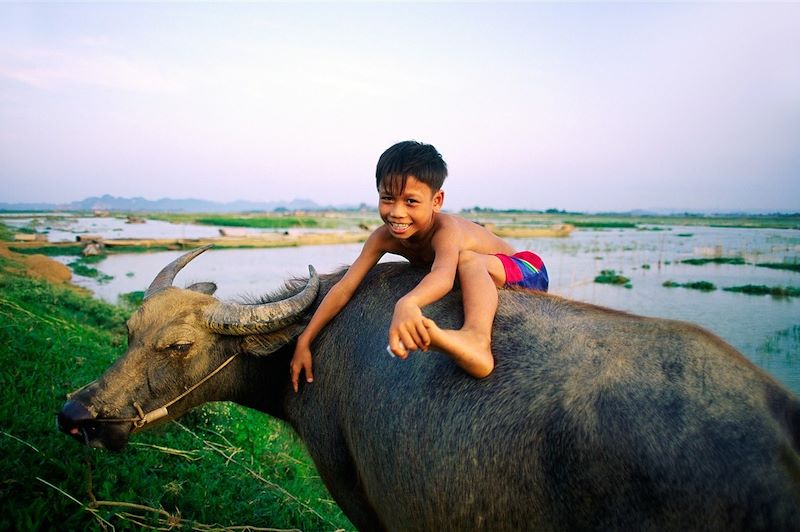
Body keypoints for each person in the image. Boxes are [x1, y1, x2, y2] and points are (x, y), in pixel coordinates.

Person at [290, 141, 548, 392]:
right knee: (466, 261)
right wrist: (306, 338)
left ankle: (477, 339)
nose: (397, 212)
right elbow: (345, 287)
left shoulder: (447, 231)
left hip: (526, 269)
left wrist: (408, 303)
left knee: (467, 259)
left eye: (411, 202)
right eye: (388, 198)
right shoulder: (382, 237)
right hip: (492, 271)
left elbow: (443, 275)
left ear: (437, 200)